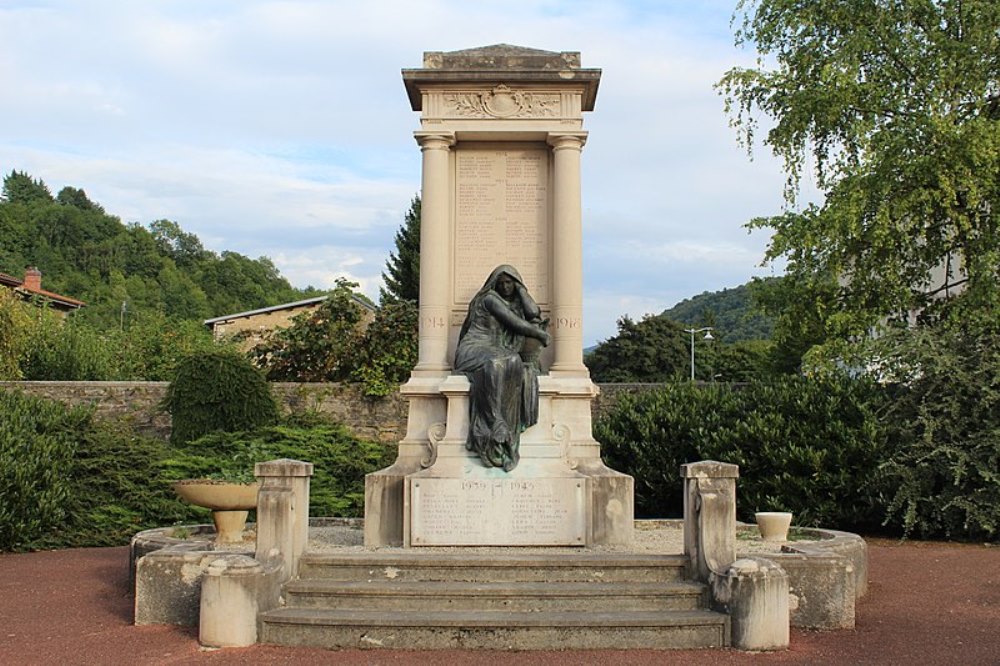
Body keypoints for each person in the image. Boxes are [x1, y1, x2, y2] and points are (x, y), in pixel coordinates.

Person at [454, 265, 550, 471]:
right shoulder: (489, 299)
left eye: (510, 282)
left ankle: (506, 431)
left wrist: (522, 290)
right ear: (494, 284)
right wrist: (540, 334)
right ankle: (496, 422)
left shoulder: (514, 299)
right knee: (495, 364)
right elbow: (515, 323)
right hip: (473, 349)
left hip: (494, 349)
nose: (506, 287)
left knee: (514, 363)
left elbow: (533, 312)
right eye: (502, 283)